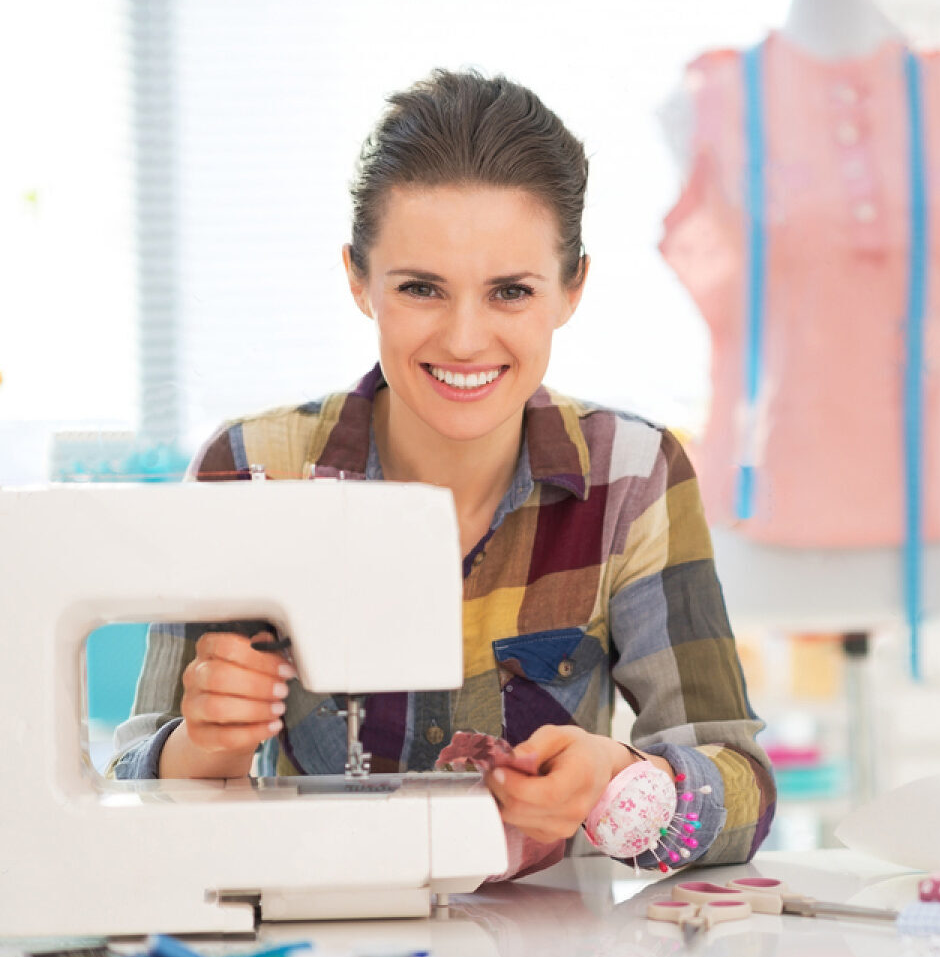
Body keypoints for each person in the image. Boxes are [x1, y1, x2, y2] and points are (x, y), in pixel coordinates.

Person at [112, 68, 775, 876]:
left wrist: (622, 783)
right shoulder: (253, 471)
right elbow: (132, 793)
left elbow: (742, 789)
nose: (465, 339)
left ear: (572, 289)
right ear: (358, 278)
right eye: (422, 288)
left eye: (510, 292)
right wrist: (201, 743)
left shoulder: (630, 477)